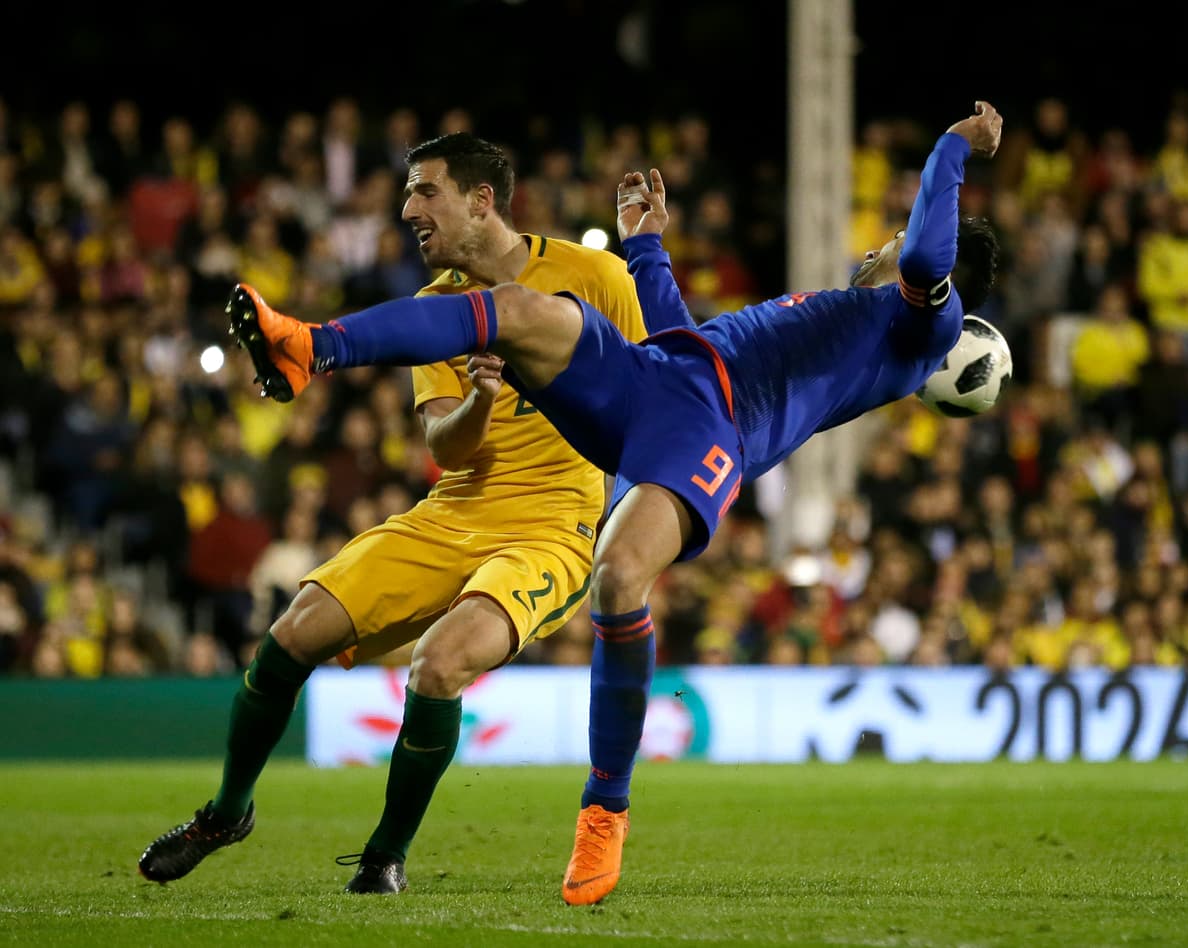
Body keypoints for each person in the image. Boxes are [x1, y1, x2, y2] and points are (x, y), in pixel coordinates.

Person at [225, 102, 1004, 905]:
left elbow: (922, 253)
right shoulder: (833, 312)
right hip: (661, 381)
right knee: (521, 306)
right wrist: (644, 245)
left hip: (712, 435)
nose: (872, 253)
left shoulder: (921, 328)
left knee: (620, 575)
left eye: (884, 249)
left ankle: (605, 809)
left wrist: (952, 147)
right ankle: (309, 348)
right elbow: (680, 338)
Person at [137, 132, 651, 894]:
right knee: (289, 637)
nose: (408, 208)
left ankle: (384, 856)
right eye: (409, 192)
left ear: (482, 201)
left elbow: (649, 396)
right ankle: (224, 813)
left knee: (440, 664)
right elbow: (448, 449)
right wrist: (480, 399)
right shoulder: (433, 310)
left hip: (552, 526)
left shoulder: (596, 276)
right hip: (455, 511)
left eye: (425, 191)